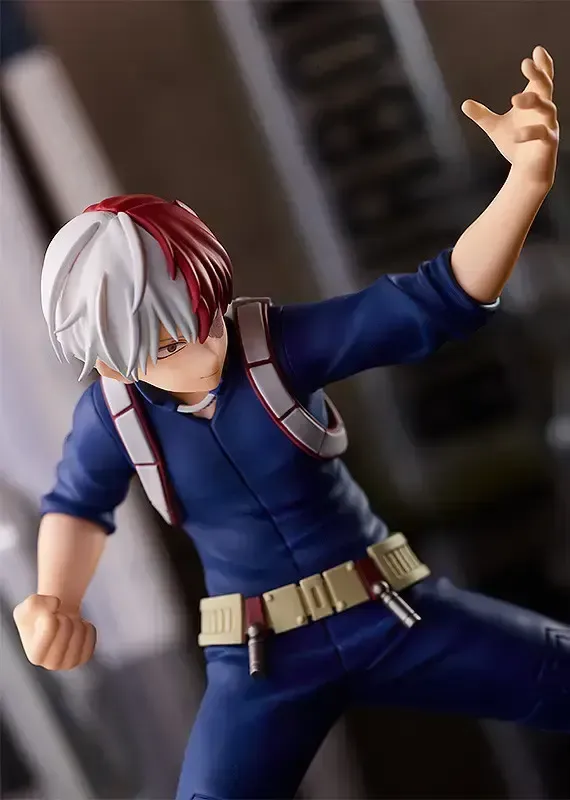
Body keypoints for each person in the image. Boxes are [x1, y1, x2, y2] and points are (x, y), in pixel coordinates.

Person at [14, 46, 568, 799]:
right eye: (170, 345)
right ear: (112, 353)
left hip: (392, 612)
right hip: (260, 661)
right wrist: (55, 599)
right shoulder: (115, 417)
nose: (206, 349)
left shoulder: (275, 350)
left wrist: (525, 183)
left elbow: (433, 301)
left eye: (206, 318)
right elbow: (77, 507)